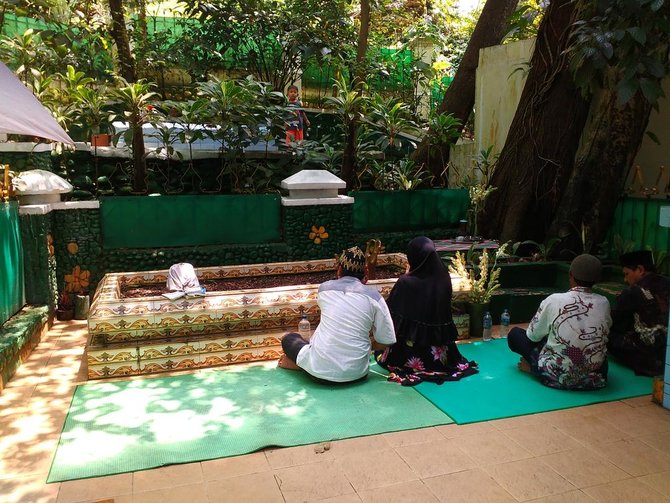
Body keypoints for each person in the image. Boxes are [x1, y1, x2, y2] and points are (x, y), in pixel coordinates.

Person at [278, 246, 396, 383]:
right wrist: (365, 343)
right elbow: (387, 341)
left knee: (289, 338)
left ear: (339, 269)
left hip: (319, 374)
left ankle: (299, 365)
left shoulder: (324, 289)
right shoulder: (376, 297)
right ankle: (302, 365)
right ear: (366, 271)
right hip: (357, 374)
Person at [375, 236, 478, 386]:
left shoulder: (406, 282)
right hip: (441, 350)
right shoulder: (444, 278)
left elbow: (392, 312)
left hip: (410, 353)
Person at [507, 254, 612, 390]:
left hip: (556, 375)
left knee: (515, 335)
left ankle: (534, 368)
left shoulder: (554, 300)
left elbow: (532, 335)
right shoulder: (604, 302)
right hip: (596, 377)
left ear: (570, 275)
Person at [608, 250, 670, 376]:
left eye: (626, 274)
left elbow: (614, 322)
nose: (625, 279)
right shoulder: (666, 283)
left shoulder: (633, 292)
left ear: (640, 270)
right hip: (667, 355)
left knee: (606, 333)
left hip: (648, 360)